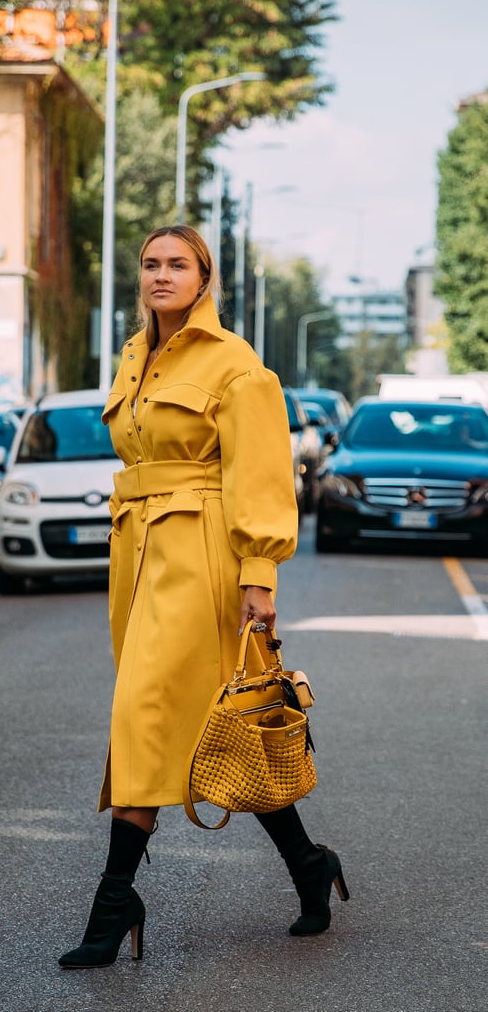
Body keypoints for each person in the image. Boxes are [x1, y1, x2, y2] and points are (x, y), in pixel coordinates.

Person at [58, 225, 349, 969]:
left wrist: (259, 574)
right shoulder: (133, 355)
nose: (161, 276)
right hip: (138, 553)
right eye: (151, 264)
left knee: (146, 712)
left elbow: (259, 473)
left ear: (203, 278)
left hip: (202, 555)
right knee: (219, 726)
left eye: (176, 265)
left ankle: (114, 898)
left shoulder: (235, 366)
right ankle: (308, 865)